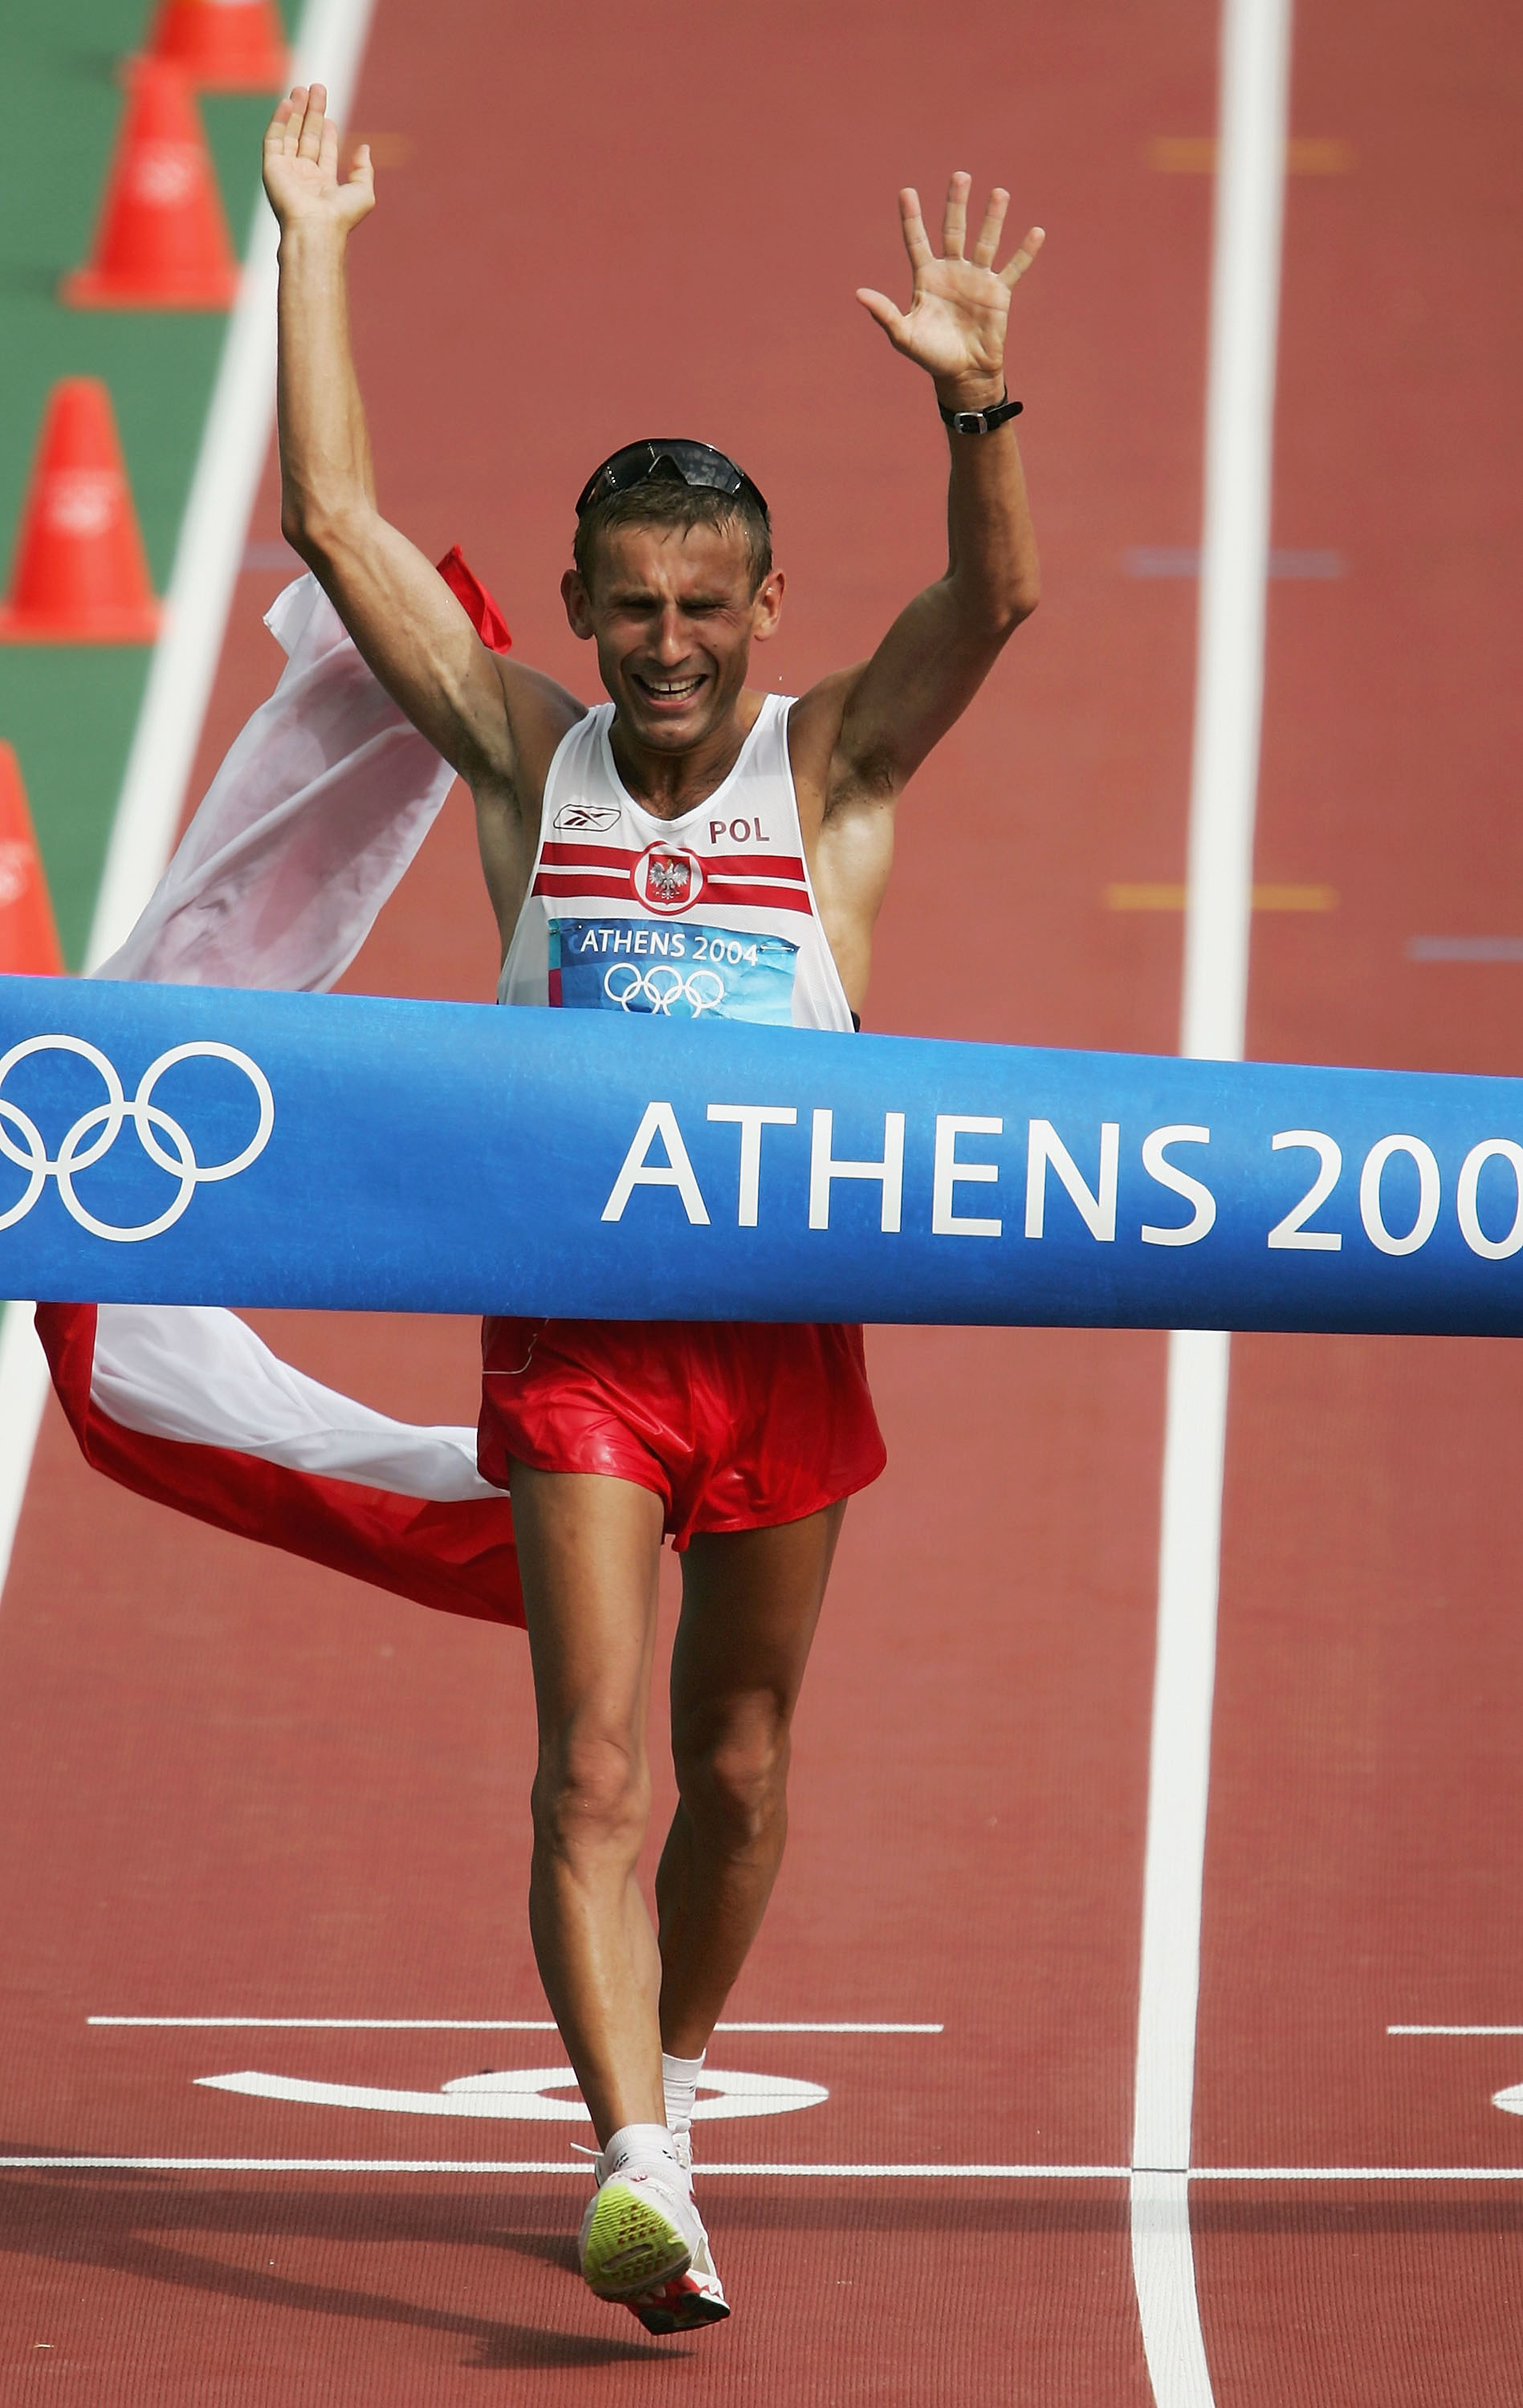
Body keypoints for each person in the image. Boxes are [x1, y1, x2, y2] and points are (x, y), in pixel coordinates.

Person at [263, 83, 1042, 2335]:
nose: (666, 649)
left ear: (765, 603)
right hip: (579, 1334)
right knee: (591, 1757)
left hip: (782, 1325)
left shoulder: (839, 768)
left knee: (737, 1760)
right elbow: (335, 524)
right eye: (629, 610)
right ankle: (624, 2168)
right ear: (588, 608)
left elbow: (994, 596)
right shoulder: (529, 759)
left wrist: (975, 391)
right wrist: (316, 242)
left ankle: (672, 2092)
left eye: (704, 607)